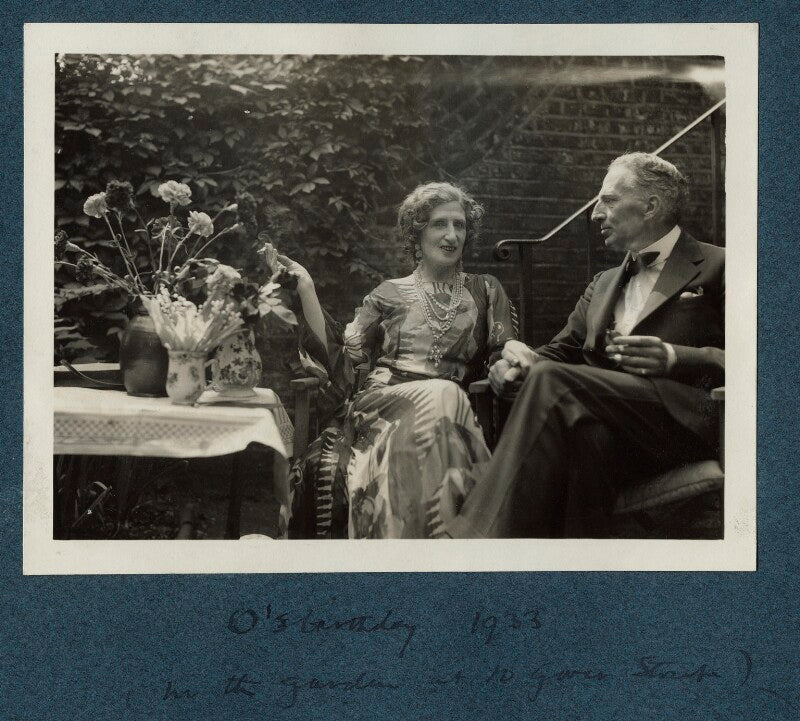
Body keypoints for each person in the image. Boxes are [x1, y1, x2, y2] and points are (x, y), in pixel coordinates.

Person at [445, 152, 725, 538]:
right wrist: (517, 359)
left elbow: (767, 364)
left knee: (553, 383)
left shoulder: (722, 265)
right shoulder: (603, 283)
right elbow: (559, 354)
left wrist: (678, 357)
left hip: (682, 423)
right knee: (580, 440)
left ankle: (471, 538)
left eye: (608, 200)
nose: (595, 214)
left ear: (651, 205)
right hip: (609, 430)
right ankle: (572, 575)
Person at [280, 182, 517, 539]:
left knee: (444, 395)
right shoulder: (388, 293)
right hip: (381, 404)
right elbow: (344, 362)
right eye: (440, 224)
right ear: (417, 232)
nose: (452, 235)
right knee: (442, 393)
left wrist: (507, 365)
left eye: (460, 225)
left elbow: (503, 350)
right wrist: (307, 289)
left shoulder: (485, 289)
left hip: (448, 411)